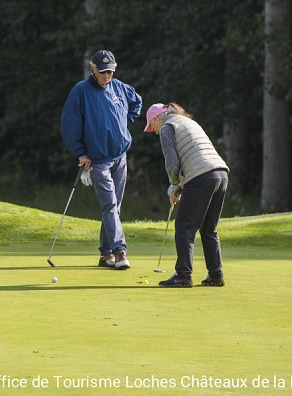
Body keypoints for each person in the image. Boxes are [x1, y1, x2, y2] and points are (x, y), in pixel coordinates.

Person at [60, 50, 142, 270]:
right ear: (93, 69)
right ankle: (120, 250)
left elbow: (136, 101)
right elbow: (69, 125)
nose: (108, 75)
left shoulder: (119, 87)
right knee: (109, 205)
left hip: (120, 157)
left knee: (115, 207)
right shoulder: (81, 91)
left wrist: (125, 122)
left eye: (111, 71)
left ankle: (106, 255)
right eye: (104, 71)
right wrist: (81, 153)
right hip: (98, 160)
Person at [144, 102, 229, 288]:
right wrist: (180, 188)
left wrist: (174, 186)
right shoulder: (187, 121)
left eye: (152, 126)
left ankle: (183, 275)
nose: (154, 131)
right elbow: (193, 158)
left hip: (202, 176)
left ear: (157, 119)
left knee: (184, 227)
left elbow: (172, 164)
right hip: (221, 174)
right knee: (208, 229)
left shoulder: (167, 127)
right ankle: (216, 275)